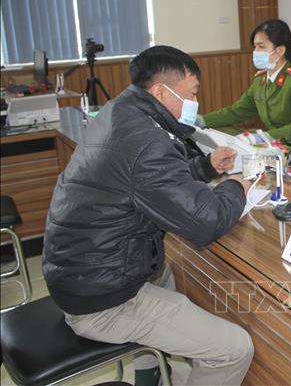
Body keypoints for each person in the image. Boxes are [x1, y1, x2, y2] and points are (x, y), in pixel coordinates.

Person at [42, 45, 254, 386]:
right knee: (234, 348)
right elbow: (204, 222)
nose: (195, 103)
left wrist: (203, 166)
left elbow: (146, 181)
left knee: (165, 277)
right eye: (192, 94)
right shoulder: (146, 140)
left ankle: (148, 373)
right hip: (101, 299)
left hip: (81, 272)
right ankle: (156, 364)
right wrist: (236, 188)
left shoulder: (119, 112)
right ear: (160, 91)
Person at [203, 19, 291, 143]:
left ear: (280, 51)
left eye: (261, 46)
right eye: (255, 46)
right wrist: (203, 121)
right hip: (274, 146)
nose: (256, 52)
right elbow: (237, 111)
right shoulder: (260, 80)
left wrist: (264, 137)